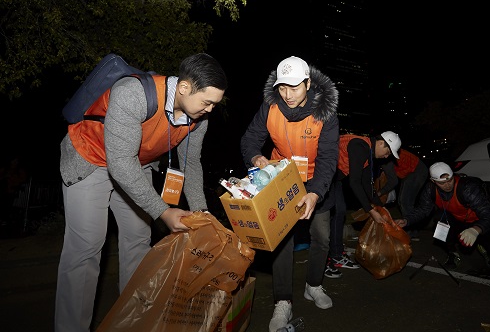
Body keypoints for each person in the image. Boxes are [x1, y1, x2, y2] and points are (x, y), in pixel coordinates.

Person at [55, 53, 227, 332]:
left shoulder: (198, 118)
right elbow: (119, 163)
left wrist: (201, 211)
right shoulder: (133, 93)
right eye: (207, 102)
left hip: (138, 165)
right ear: (184, 88)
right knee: (86, 249)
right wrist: (162, 211)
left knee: (138, 242)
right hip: (90, 160)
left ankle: (132, 323)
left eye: (214, 104)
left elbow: (190, 164)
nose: (210, 109)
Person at [240, 56, 339, 332]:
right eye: (283, 87)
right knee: (282, 240)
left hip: (317, 181)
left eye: (294, 87)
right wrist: (257, 157)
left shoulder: (325, 112)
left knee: (321, 237)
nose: (288, 95)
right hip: (282, 180)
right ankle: (283, 301)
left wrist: (316, 193)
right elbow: (249, 139)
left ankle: (314, 284)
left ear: (308, 83)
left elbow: (330, 156)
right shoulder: (270, 106)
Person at [395, 162, 490, 270]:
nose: (447, 185)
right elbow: (423, 210)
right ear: (433, 181)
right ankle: (452, 253)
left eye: (449, 180)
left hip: (479, 222)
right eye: (442, 183)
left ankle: (483, 247)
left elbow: (489, 213)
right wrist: (406, 220)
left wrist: (476, 229)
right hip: (457, 221)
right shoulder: (430, 189)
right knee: (439, 221)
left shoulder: (467, 188)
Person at [325, 131, 401, 278]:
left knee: (339, 213)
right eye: (388, 152)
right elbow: (355, 181)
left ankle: (336, 255)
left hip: (335, 179)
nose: (387, 157)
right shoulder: (359, 145)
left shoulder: (368, 154)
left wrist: (380, 206)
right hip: (322, 176)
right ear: (380, 143)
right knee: (327, 218)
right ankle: (325, 261)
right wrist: (370, 210)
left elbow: (367, 184)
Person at [375, 148, 428, 241]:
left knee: (405, 201)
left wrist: (380, 192)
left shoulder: (384, 157)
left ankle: (412, 232)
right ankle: (411, 230)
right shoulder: (382, 152)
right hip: (411, 171)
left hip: (416, 171)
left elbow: (393, 181)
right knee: (403, 201)